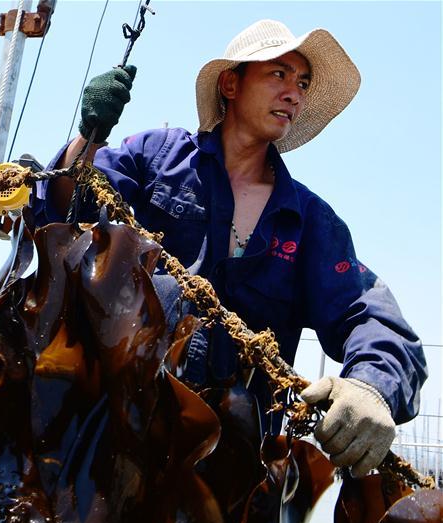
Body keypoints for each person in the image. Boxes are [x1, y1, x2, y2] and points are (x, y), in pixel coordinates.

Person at [31, 20, 426, 478]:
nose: (294, 93)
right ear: (231, 83)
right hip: (105, 433)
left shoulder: (310, 222)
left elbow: (369, 313)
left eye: (302, 83)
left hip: (230, 472)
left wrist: (371, 388)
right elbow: (65, 213)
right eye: (279, 74)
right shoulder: (157, 157)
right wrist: (90, 135)